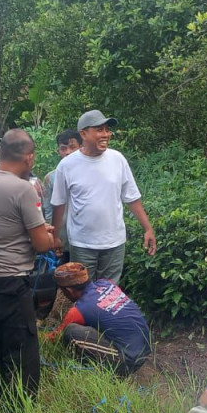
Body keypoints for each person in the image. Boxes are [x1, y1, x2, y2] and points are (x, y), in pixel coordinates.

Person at [0, 129, 58, 405]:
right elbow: (42, 245)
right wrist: (51, 235)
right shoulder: (23, 189)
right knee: (23, 346)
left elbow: (3, 223)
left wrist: (35, 230)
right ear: (29, 158)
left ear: (0, 154)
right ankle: (21, 408)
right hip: (12, 281)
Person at [49, 110, 156, 285]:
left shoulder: (117, 159)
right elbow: (59, 204)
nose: (105, 134)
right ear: (83, 134)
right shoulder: (67, 165)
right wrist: (55, 237)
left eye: (107, 130)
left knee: (109, 294)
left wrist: (148, 228)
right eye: (99, 130)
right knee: (83, 293)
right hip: (82, 243)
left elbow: (131, 197)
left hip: (114, 243)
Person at [47, 262, 152, 375]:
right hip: (145, 348)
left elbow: (54, 338)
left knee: (71, 331)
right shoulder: (107, 284)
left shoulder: (79, 310)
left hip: (128, 360)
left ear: (68, 290)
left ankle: (105, 372)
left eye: (63, 291)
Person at [42, 129, 81, 254]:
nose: (68, 152)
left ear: (81, 147)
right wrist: (53, 236)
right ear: (58, 151)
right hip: (61, 238)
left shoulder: (90, 174)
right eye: (63, 148)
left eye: (72, 147)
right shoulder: (51, 178)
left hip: (84, 239)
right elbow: (48, 210)